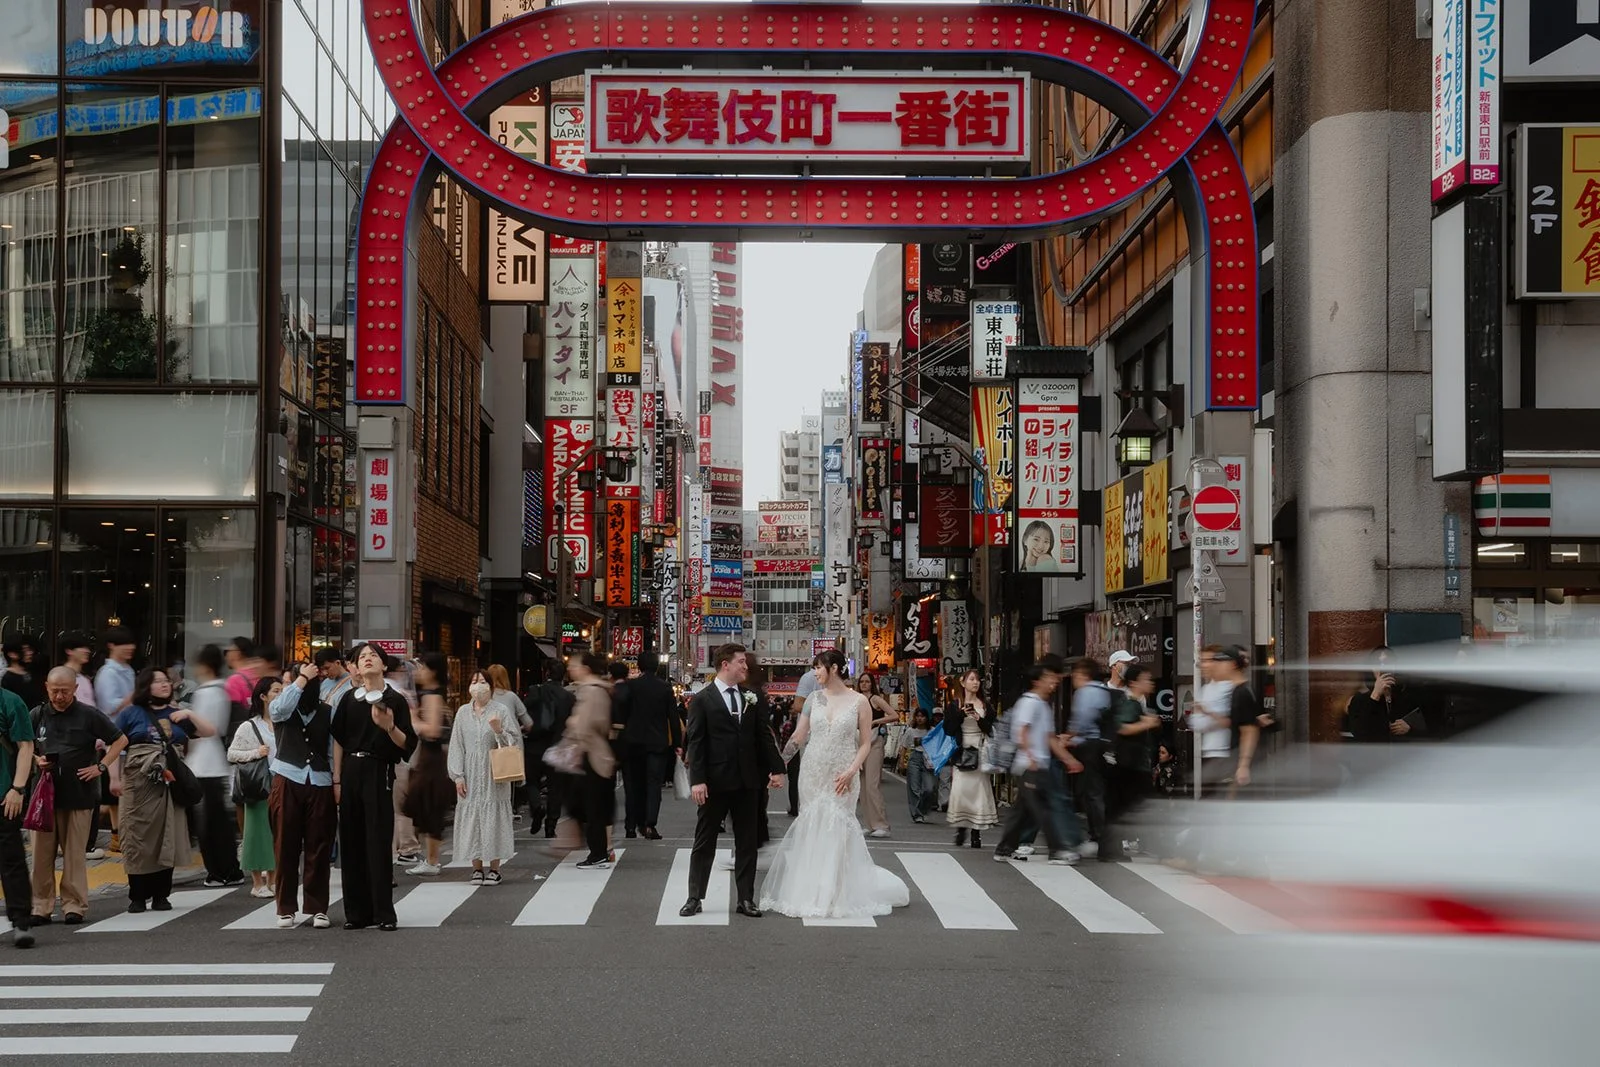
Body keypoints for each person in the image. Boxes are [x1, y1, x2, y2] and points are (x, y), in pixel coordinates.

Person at [759, 650, 910, 919]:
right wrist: (778, 766)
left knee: (839, 826)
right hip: (814, 771)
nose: (815, 673)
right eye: (814, 668)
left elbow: (865, 743)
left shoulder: (860, 701)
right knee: (814, 824)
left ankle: (836, 892)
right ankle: (812, 889)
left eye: (819, 668)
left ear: (836, 668)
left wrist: (852, 770)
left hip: (843, 771)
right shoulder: (813, 700)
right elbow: (799, 736)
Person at [679, 644, 786, 918]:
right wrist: (697, 780)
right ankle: (695, 896)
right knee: (705, 840)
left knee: (747, 842)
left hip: (748, 781)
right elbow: (696, 742)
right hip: (714, 782)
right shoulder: (703, 699)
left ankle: (746, 899)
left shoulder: (751, 697)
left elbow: (762, 736)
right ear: (725, 665)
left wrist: (776, 768)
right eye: (741, 662)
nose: (745, 667)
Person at [330, 644, 418, 930]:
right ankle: (356, 913)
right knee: (352, 841)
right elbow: (339, 741)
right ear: (355, 666)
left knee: (378, 841)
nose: (367, 659)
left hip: (378, 769)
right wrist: (337, 779)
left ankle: (384, 913)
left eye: (373, 656)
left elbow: (407, 745)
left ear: (383, 665)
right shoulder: (347, 699)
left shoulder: (395, 700)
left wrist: (389, 727)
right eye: (362, 657)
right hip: (351, 772)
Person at [113, 667, 214, 912]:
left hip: (170, 783)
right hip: (138, 782)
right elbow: (114, 747)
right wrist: (113, 779)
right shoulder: (131, 714)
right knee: (137, 837)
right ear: (146, 686)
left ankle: (161, 895)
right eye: (157, 681)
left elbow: (209, 731)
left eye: (166, 681)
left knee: (167, 836)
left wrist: (188, 712)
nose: (164, 684)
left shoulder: (177, 713)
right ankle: (137, 895)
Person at [31, 668, 127, 924]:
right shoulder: (38, 714)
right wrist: (36, 759)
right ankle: (41, 906)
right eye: (54, 690)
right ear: (46, 687)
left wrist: (101, 767)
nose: (59, 696)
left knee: (74, 854)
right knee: (41, 855)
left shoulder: (89, 715)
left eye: (64, 691)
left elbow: (119, 740)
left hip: (79, 794)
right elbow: (25, 745)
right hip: (45, 796)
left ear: (75, 688)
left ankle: (74, 905)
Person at [269, 660, 338, 929]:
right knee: (285, 845)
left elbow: (331, 750)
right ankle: (285, 908)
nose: (290, 687)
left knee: (319, 847)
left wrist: (336, 781)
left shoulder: (326, 711)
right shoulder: (283, 709)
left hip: (319, 781)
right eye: (287, 683)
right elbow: (279, 707)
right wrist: (299, 680)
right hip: (287, 777)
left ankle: (318, 907)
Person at [993, 659, 1082, 865]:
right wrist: (1031, 757)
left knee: (1022, 812)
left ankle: (1004, 849)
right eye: (1048, 678)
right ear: (1037, 681)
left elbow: (1050, 738)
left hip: (1038, 764)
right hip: (1030, 766)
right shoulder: (1029, 702)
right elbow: (1021, 732)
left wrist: (1069, 759)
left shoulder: (1043, 705)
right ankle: (1058, 850)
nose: (1053, 682)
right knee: (1044, 809)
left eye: (1054, 678)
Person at [448, 670, 521, 884]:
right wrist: (458, 776)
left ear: (490, 686)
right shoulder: (462, 712)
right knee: (473, 817)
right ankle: (476, 867)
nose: (477, 685)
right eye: (473, 681)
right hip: (470, 772)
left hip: (494, 772)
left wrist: (498, 730)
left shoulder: (501, 710)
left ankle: (495, 868)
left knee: (493, 817)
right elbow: (456, 745)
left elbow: (513, 744)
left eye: (482, 681)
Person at [186, 644, 243, 888]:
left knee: (209, 825)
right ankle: (229, 869)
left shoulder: (206, 692)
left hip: (204, 763)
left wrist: (185, 716)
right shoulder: (221, 690)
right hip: (214, 761)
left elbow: (207, 728)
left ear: (203, 665)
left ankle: (219, 872)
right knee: (219, 822)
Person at [562, 651, 618, 870]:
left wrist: (573, 723)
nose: (571, 668)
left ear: (585, 669)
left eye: (574, 665)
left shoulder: (592, 691)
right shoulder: (597, 689)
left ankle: (598, 853)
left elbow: (585, 725)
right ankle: (599, 850)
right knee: (592, 804)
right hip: (594, 754)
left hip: (592, 755)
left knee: (591, 805)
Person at [400, 654, 454, 876]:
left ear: (432, 671)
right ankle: (430, 859)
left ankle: (432, 861)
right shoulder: (432, 694)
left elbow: (431, 730)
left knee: (428, 807)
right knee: (424, 806)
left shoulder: (432, 696)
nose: (417, 672)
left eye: (421, 668)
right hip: (429, 758)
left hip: (431, 760)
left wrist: (413, 718)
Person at [616, 651, 676, 840]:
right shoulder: (665, 688)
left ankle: (631, 826)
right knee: (653, 785)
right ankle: (650, 824)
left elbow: (621, 713)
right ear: (657, 666)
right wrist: (678, 744)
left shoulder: (631, 686)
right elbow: (673, 718)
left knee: (633, 786)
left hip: (633, 742)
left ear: (639, 666)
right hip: (657, 743)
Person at [229, 677, 278, 898]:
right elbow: (232, 754)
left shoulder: (284, 721)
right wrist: (255, 753)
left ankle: (274, 879)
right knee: (257, 833)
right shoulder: (249, 726)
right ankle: (257, 882)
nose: (280, 695)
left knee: (278, 832)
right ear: (263, 696)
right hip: (258, 785)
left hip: (281, 782)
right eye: (276, 691)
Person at [945, 669, 999, 847]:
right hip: (962, 751)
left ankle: (976, 833)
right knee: (961, 791)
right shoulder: (955, 704)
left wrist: (978, 718)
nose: (975, 683)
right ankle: (961, 828)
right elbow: (948, 729)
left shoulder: (985, 705)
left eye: (977, 680)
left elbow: (991, 728)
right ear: (963, 682)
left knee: (979, 792)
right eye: (972, 679)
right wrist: (961, 714)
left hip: (980, 750)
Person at [0, 682, 36, 947]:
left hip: (4, 795)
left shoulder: (10, 701)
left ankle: (21, 920)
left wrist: (18, 788)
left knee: (11, 859)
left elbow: (26, 746)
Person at [524, 659, 575, 836]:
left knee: (532, 781)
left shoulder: (534, 691)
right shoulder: (569, 697)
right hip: (558, 746)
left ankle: (537, 807)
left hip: (535, 745)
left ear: (546, 673)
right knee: (556, 788)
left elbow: (524, 715)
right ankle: (551, 826)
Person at [1345, 646, 1429, 743]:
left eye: (1387, 663)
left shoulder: (1409, 697)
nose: (1383, 667)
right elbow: (1359, 733)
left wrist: (1410, 729)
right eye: (1378, 663)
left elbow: (1430, 733)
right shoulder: (1359, 700)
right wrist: (1375, 694)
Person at [855, 673, 895, 838]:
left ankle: (881, 824)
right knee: (862, 787)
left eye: (867, 681)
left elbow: (894, 715)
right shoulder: (855, 699)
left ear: (872, 684)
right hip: (858, 742)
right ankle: (869, 824)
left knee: (872, 785)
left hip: (874, 742)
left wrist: (875, 722)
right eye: (862, 682)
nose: (864, 684)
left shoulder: (876, 699)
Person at [93, 627, 137, 716]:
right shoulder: (107, 672)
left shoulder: (129, 670)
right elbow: (109, 706)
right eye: (124, 644)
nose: (130, 647)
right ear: (111, 645)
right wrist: (138, 694)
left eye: (131, 644)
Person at [902, 709, 936, 823]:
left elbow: (938, 745)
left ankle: (923, 809)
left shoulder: (932, 731)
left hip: (928, 759)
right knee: (914, 788)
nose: (920, 718)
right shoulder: (910, 731)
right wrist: (902, 762)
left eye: (922, 716)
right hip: (915, 757)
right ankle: (917, 814)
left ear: (927, 718)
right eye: (918, 716)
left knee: (929, 788)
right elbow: (904, 747)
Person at [2, 638, 43, 712]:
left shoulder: (32, 672)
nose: (30, 653)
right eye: (24, 650)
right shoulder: (6, 677)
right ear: (12, 654)